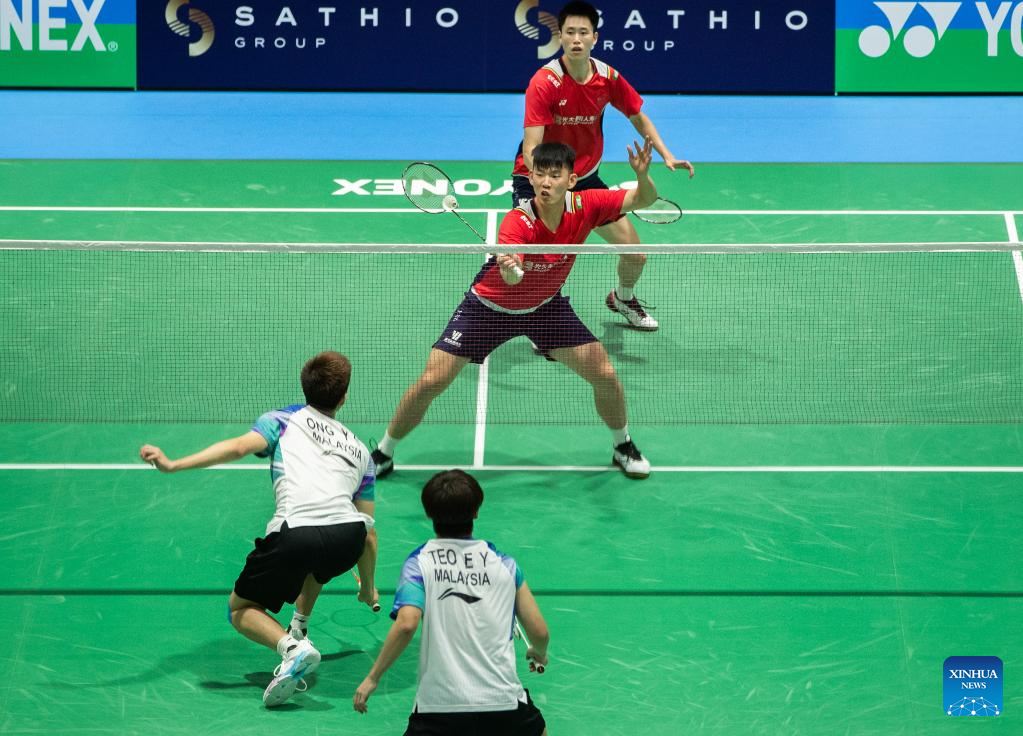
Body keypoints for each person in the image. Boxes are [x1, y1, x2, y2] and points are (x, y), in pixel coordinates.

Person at [372, 139, 655, 480]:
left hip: (545, 308)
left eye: (555, 175)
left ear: (571, 180)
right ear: (530, 178)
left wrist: (642, 176)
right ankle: (383, 452)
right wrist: (510, 267)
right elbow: (509, 274)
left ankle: (622, 445)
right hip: (488, 308)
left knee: (605, 376)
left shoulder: (588, 204)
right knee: (432, 380)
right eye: (540, 174)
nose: (546, 182)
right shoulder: (517, 221)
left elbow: (644, 199)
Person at [138, 350, 380, 707]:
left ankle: (291, 648)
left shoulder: (282, 420)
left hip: (296, 532)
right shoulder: (361, 452)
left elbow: (238, 447)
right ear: (344, 398)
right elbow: (369, 533)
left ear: (304, 386)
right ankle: (299, 628)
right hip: (348, 537)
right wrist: (369, 589)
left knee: (239, 610)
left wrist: (173, 465)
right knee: (318, 562)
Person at [512, 0, 695, 331]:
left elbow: (637, 115)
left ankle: (623, 298)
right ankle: (541, 317)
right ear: (560, 36)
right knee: (542, 259)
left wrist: (666, 154)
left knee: (635, 255)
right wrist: (549, 184)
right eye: (570, 32)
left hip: (584, 179)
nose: (576, 39)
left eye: (583, 32)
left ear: (594, 38)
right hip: (542, 179)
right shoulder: (545, 82)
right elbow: (531, 148)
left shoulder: (607, 78)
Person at [353, 469, 549, 736]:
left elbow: (407, 623)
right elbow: (539, 632)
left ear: (428, 513)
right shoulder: (505, 564)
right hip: (503, 704)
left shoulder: (418, 563)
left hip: (438, 709)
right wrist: (538, 651)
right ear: (476, 512)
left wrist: (372, 678)